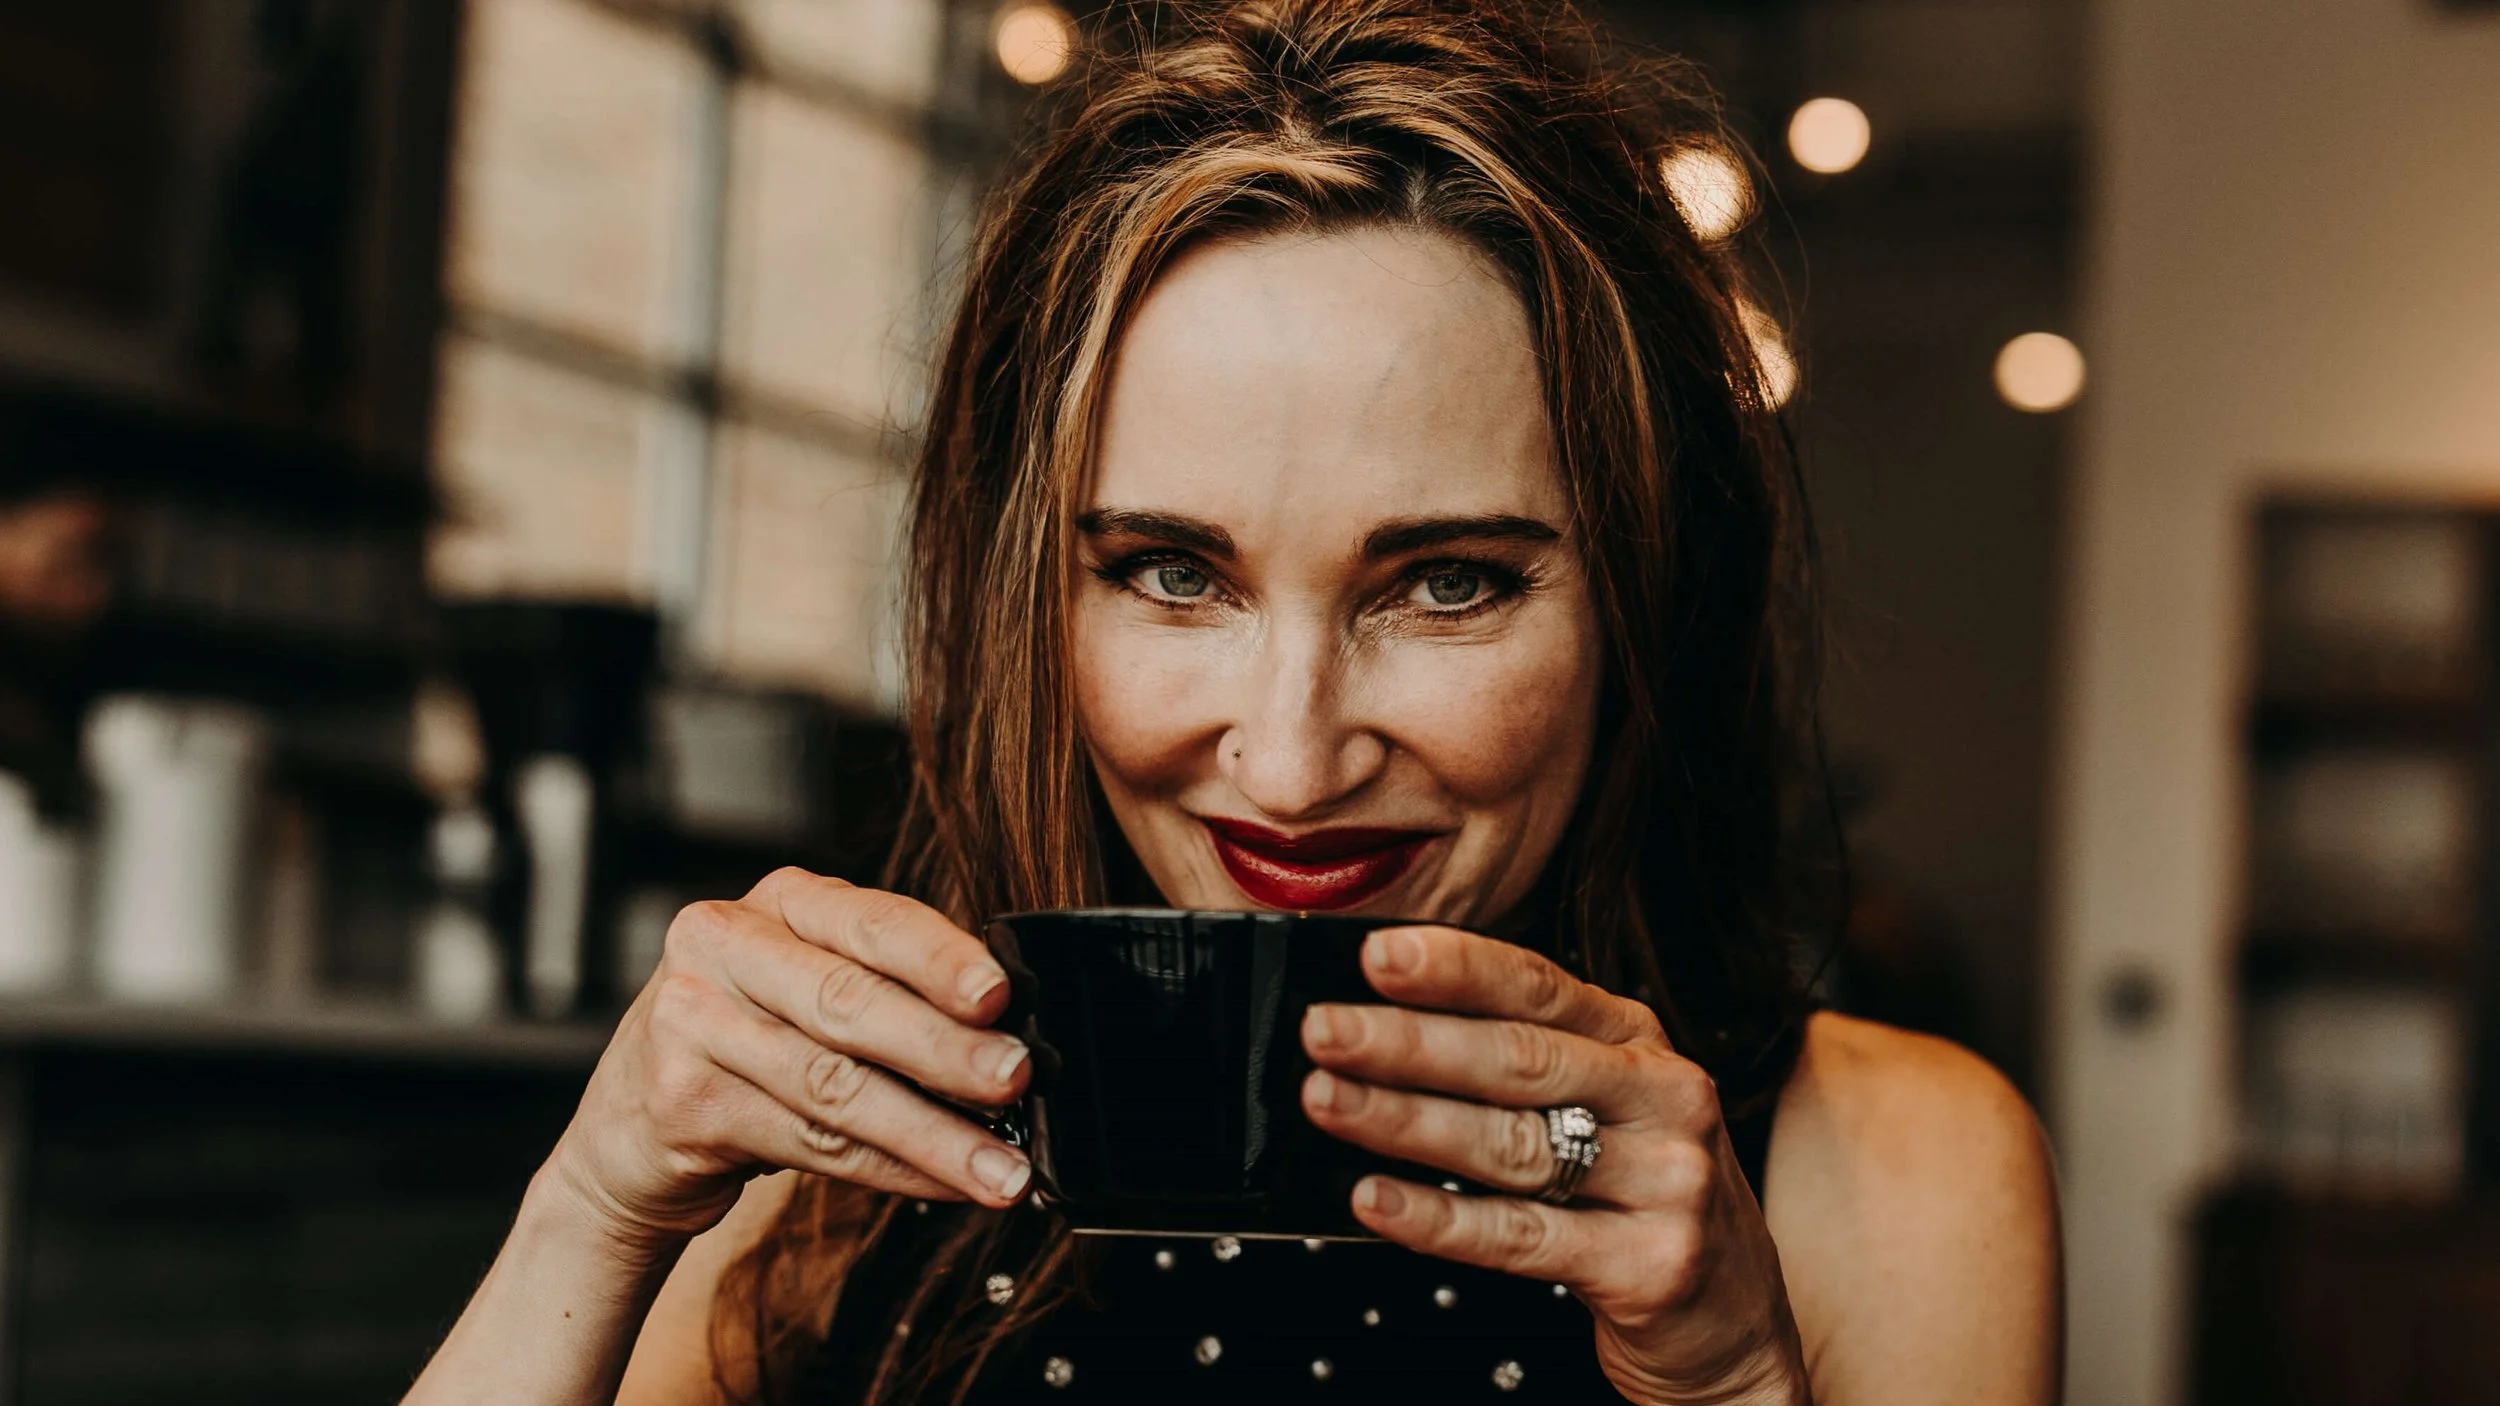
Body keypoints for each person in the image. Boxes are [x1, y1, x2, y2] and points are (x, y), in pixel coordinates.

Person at [407, 1, 2060, 1401]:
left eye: (1451, 580)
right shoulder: (826, 1151)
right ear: (1031, 592)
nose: (1287, 761)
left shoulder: (1897, 1173)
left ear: (1641, 593)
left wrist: (1727, 1378)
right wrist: (597, 1197)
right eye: (1170, 571)